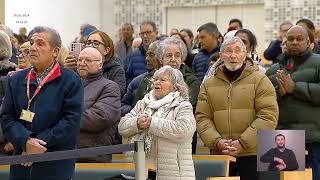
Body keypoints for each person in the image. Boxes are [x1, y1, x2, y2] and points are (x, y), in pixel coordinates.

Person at [0, 26, 83, 180]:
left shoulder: (70, 80)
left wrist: (37, 146)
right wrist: (25, 141)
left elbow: (71, 121)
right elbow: (6, 117)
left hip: (55, 162)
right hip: (21, 160)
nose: (32, 47)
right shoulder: (17, 79)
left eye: (40, 43)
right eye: (31, 43)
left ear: (55, 52)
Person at [196, 36, 278, 180]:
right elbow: (202, 117)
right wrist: (217, 142)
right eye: (228, 51)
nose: (233, 55)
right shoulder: (209, 84)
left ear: (245, 54)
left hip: (252, 152)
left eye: (237, 51)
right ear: (221, 55)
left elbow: (268, 116)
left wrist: (242, 142)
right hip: (220, 152)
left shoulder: (260, 80)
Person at [118, 65, 196, 180]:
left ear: (174, 86)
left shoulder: (182, 105)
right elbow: (122, 126)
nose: (157, 82)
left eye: (163, 80)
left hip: (172, 173)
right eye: (155, 79)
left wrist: (152, 123)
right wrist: (137, 123)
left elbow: (184, 129)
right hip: (140, 169)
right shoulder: (144, 103)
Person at [266, 25, 320, 180]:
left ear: (309, 42)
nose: (294, 42)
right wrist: (278, 92)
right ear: (285, 42)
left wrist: (295, 88)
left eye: (299, 39)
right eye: (290, 39)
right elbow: (261, 100)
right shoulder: (273, 69)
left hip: (313, 137)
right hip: (280, 136)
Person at [76, 47, 121, 162]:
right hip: (67, 153)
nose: (82, 63)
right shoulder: (71, 86)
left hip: (92, 155)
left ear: (100, 65)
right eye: (80, 60)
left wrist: (66, 119)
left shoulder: (110, 87)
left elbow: (101, 117)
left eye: (88, 60)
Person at [65, 30, 126, 96]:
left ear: (106, 50)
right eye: (88, 43)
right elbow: (66, 91)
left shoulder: (116, 69)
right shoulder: (79, 66)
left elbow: (117, 93)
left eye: (96, 43)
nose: (90, 46)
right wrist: (67, 73)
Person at [121, 40, 161, 117]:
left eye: (151, 55)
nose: (147, 59)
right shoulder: (137, 81)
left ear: (162, 57)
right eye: (147, 55)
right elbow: (123, 105)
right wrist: (136, 111)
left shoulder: (173, 81)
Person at [125, 21, 158, 85]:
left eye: (148, 32)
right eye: (142, 33)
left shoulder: (163, 52)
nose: (145, 36)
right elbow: (128, 77)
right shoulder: (134, 55)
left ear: (156, 33)